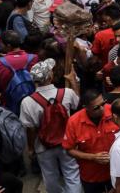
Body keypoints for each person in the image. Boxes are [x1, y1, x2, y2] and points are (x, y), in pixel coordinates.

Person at [19, 58, 82, 193]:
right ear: (50, 76)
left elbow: (30, 129)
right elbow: (77, 103)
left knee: (49, 175)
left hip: (43, 145)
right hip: (67, 141)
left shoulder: (27, 102)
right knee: (72, 174)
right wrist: (73, 81)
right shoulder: (66, 92)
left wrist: (30, 148)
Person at [63, 90, 120, 193]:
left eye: (103, 103)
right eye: (96, 108)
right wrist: (93, 157)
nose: (102, 108)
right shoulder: (74, 122)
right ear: (86, 107)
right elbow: (69, 149)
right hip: (91, 176)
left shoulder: (114, 111)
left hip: (116, 171)